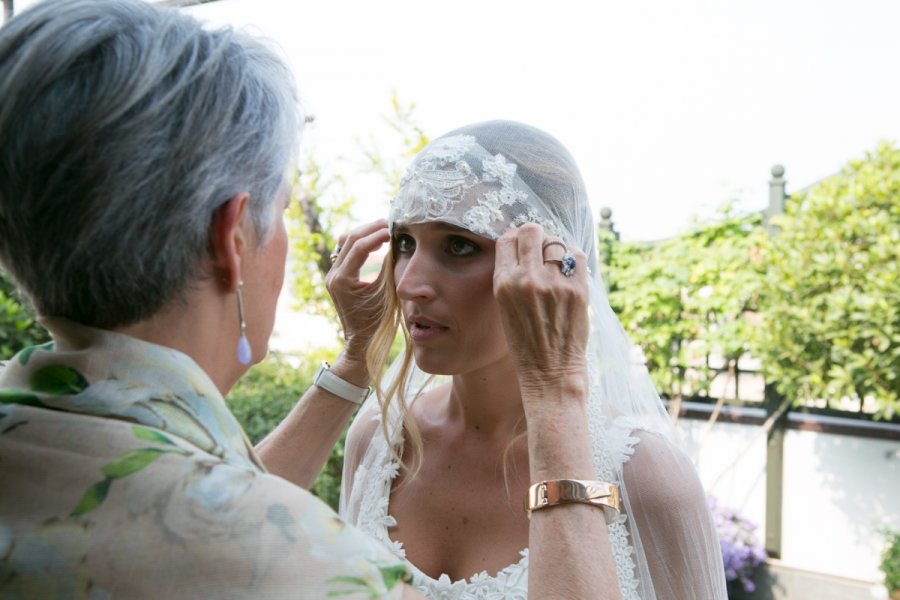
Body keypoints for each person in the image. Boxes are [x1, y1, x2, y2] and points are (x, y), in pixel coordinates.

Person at [0, 1, 621, 598]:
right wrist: (557, 390)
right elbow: (216, 515)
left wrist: (357, 358)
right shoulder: (312, 574)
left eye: (457, 245)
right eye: (282, 210)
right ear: (232, 237)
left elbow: (197, 496)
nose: (406, 280)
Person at [266, 121, 729, 598]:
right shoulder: (381, 438)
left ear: (550, 269)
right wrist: (356, 355)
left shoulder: (647, 478)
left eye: (460, 245)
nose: (408, 283)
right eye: (405, 243)